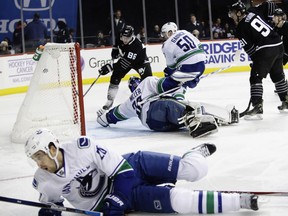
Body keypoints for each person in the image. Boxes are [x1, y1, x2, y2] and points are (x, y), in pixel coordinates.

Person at [25, 128, 259, 216]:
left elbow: (124, 173)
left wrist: (115, 201)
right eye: (34, 159)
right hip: (129, 199)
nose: (39, 164)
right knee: (179, 201)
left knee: (197, 169)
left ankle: (193, 153)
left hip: (133, 167)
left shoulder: (82, 148)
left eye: (40, 156)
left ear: (53, 149)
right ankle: (240, 201)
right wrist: (49, 212)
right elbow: (51, 207)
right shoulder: (43, 180)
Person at [97, 76, 239, 138]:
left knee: (186, 112)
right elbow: (169, 86)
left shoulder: (128, 103)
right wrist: (185, 82)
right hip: (155, 109)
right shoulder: (147, 82)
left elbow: (111, 116)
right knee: (184, 107)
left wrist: (102, 117)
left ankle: (209, 121)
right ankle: (211, 120)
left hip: (154, 125)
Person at [228, 1, 288, 119]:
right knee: (277, 75)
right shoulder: (253, 11)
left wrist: (256, 62)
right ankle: (286, 100)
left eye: (233, 13)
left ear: (239, 13)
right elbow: (269, 5)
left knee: (255, 76)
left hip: (266, 48)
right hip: (278, 44)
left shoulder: (240, 28)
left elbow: (250, 49)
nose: (232, 16)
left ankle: (257, 106)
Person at [98, 25, 152, 110]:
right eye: (123, 37)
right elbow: (116, 45)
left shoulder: (136, 45)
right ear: (121, 35)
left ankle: (151, 99)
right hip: (126, 58)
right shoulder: (119, 36)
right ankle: (110, 100)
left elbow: (124, 64)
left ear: (132, 36)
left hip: (140, 62)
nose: (125, 40)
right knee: (115, 76)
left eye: (128, 38)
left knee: (148, 80)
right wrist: (115, 50)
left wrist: (109, 67)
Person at [160, 22, 206, 99]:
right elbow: (200, 46)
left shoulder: (166, 45)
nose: (164, 36)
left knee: (169, 74)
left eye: (164, 33)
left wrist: (171, 78)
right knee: (184, 77)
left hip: (188, 68)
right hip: (202, 64)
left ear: (170, 32)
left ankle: (179, 98)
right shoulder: (184, 32)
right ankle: (192, 81)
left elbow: (171, 67)